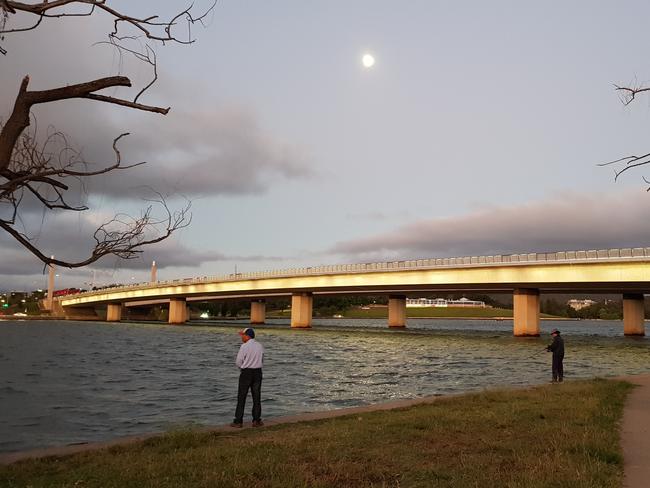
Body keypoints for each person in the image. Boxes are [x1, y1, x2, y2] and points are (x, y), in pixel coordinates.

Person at [230, 327, 264, 428]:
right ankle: (256, 420)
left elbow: (238, 362)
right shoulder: (260, 346)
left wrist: (242, 368)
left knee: (242, 397)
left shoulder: (244, 347)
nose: (242, 337)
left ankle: (238, 421)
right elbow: (262, 360)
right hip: (258, 372)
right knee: (256, 397)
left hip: (246, 373)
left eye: (243, 335)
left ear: (247, 336)